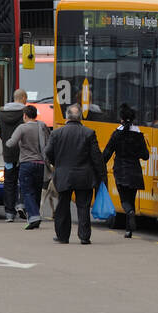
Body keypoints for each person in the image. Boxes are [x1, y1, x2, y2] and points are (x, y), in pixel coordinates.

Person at [44, 103, 104, 245]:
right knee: (83, 206)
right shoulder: (89, 133)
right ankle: (84, 236)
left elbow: (47, 152)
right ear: (81, 117)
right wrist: (101, 175)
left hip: (63, 174)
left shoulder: (56, 133)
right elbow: (96, 157)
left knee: (63, 205)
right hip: (84, 175)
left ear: (67, 117)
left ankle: (63, 236)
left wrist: (57, 163)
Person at [101, 104, 148, 238]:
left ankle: (129, 214)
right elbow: (145, 155)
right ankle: (129, 230)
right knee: (131, 198)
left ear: (121, 119)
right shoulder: (139, 135)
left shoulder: (117, 134)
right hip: (135, 171)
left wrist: (99, 165)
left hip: (121, 170)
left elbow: (107, 153)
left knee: (124, 200)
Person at [5, 104, 49, 230]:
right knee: (37, 191)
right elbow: (49, 141)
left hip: (26, 164)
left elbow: (11, 143)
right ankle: (35, 215)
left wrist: (8, 142)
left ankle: (34, 216)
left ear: (25, 115)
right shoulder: (42, 126)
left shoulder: (22, 128)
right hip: (40, 164)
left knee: (27, 191)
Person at [0, 89, 29, 222]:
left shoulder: (2, 112)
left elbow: (0, 133)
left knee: (9, 182)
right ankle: (21, 204)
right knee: (24, 181)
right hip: (23, 153)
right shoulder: (26, 112)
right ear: (22, 98)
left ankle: (9, 213)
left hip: (8, 153)